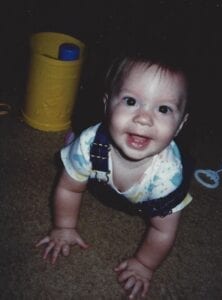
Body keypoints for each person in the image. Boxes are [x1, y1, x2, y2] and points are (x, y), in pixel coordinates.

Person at [36, 50, 194, 299]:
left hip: (148, 194)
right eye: (131, 101)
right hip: (99, 169)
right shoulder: (91, 143)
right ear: (107, 103)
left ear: (180, 125)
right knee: (77, 160)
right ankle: (74, 153)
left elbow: (162, 231)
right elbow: (68, 188)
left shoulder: (167, 178)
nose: (143, 118)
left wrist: (144, 265)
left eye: (163, 109)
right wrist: (63, 226)